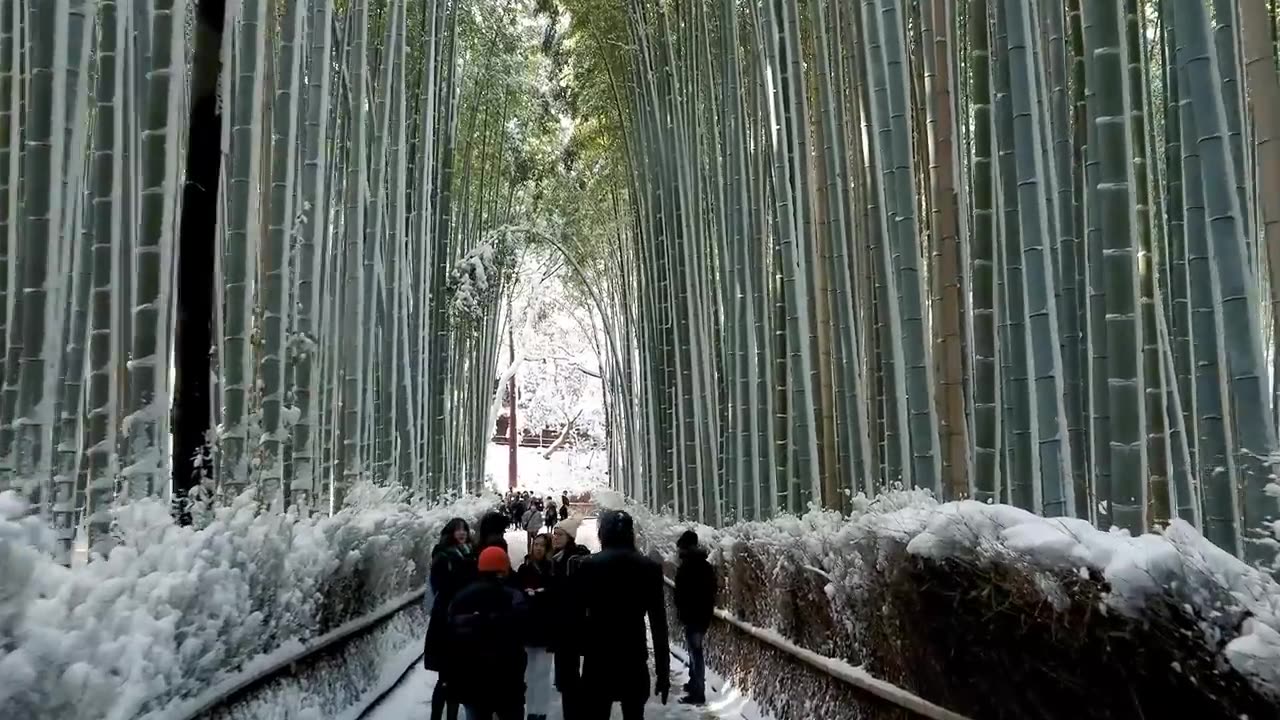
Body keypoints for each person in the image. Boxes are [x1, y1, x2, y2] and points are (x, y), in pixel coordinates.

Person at [574, 510, 670, 720]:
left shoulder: (588, 565)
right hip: (633, 658)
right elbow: (659, 625)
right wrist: (663, 672)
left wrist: (573, 664)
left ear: (603, 533)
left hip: (598, 659)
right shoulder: (649, 568)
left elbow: (576, 619)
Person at [448, 546, 528, 720]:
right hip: (508, 681)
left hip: (473, 681)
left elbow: (452, 639)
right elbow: (523, 631)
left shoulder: (461, 598)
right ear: (502, 569)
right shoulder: (513, 597)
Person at [423, 518, 476, 720]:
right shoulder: (443, 555)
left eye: (464, 529)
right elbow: (441, 586)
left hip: (463, 619)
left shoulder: (469, 553)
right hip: (446, 621)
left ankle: (451, 716)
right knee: (446, 676)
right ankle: (437, 716)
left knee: (457, 676)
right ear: (450, 533)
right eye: (457, 530)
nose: (462, 533)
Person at [549, 517, 590, 720]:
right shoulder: (557, 558)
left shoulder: (573, 560)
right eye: (554, 534)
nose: (555, 538)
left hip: (571, 624)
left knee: (569, 676)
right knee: (567, 675)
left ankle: (574, 713)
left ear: (570, 537)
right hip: (565, 623)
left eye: (560, 535)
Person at [674, 529, 717, 705]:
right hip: (702, 614)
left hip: (693, 615)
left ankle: (698, 692)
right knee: (694, 650)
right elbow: (712, 589)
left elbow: (681, 592)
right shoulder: (705, 566)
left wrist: (683, 610)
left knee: (696, 652)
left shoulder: (687, 567)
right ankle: (694, 684)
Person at [517, 534, 556, 720]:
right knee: (528, 674)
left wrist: (542, 594)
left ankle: (541, 711)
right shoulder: (524, 569)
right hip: (527, 627)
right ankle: (531, 710)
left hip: (545, 628)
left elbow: (557, 594)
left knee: (542, 673)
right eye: (536, 545)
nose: (538, 548)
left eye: (542, 545)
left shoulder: (552, 569)